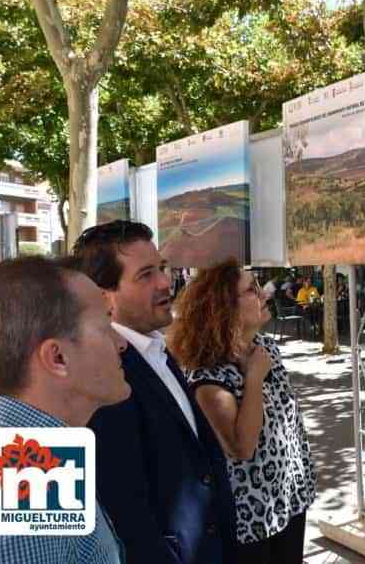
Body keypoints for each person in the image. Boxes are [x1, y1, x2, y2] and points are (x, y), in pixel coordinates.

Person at [72, 220, 236, 564]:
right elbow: (126, 511)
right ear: (105, 296)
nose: (165, 282)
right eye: (145, 274)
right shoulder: (104, 377)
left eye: (162, 268)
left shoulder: (157, 349)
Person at [0, 256, 128, 563]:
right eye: (105, 325)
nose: (121, 342)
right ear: (58, 358)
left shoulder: (12, 444)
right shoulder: (29, 497)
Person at [168, 260, 317, 563]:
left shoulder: (264, 347)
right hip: (252, 519)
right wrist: (253, 378)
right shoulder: (208, 376)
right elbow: (243, 446)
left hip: (289, 498)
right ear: (224, 308)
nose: (265, 294)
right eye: (252, 289)